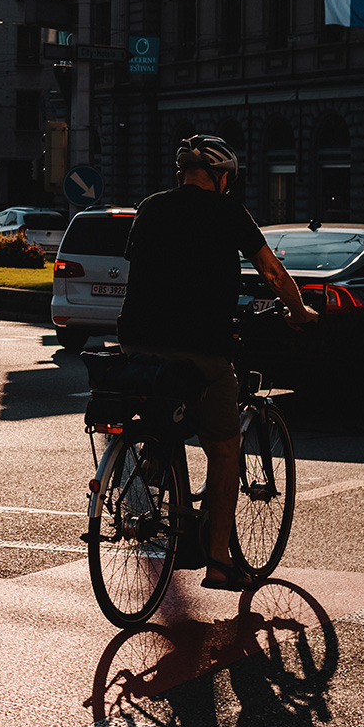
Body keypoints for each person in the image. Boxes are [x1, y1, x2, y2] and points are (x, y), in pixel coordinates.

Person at [118, 134, 315, 591]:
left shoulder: (150, 207)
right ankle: (220, 562)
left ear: (183, 173)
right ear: (222, 178)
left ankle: (153, 464)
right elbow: (270, 270)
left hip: (137, 342)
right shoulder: (229, 212)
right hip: (201, 347)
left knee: (164, 407)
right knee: (224, 450)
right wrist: (299, 310)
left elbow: (141, 271)